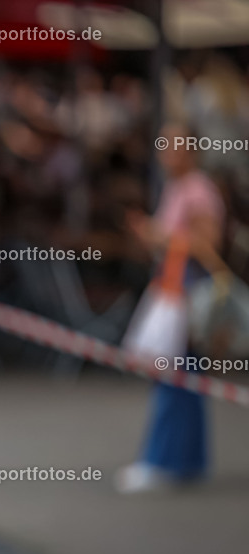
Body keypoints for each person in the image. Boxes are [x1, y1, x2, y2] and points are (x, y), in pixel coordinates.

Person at [115, 122, 226, 493]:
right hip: (175, 291)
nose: (165, 152)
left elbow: (206, 245)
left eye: (172, 145)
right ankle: (187, 461)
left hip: (186, 295)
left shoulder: (198, 191)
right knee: (185, 380)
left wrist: (161, 235)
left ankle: (162, 460)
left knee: (173, 380)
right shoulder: (179, 188)